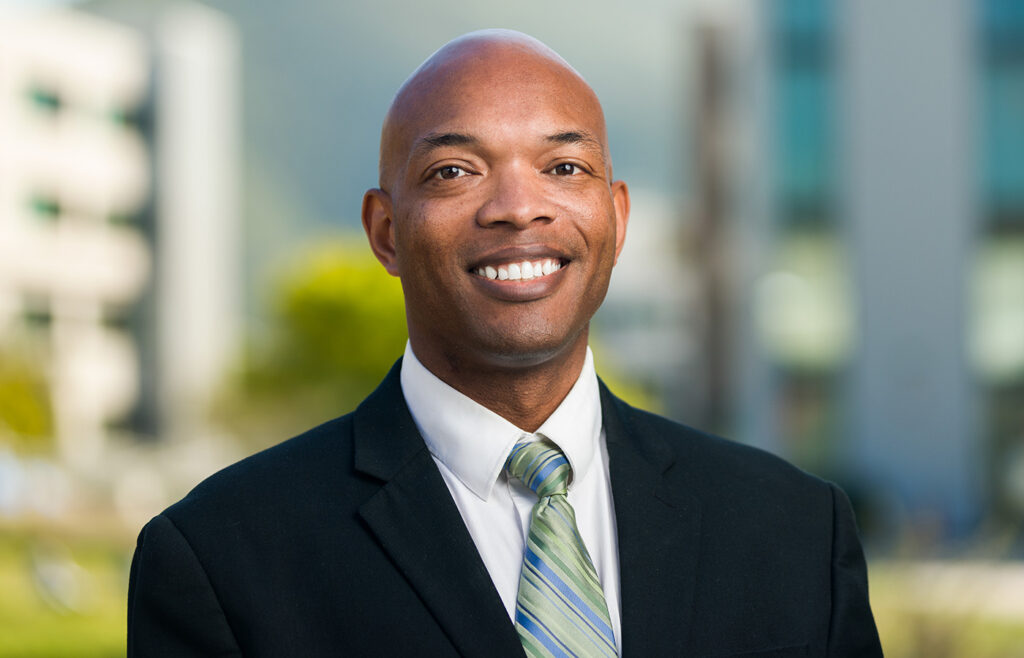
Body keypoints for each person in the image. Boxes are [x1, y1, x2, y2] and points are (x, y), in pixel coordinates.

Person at [127, 30, 882, 657]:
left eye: (563, 167)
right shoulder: (220, 559)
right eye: (455, 170)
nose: (520, 208)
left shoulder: (794, 533)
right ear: (385, 232)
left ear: (616, 219)